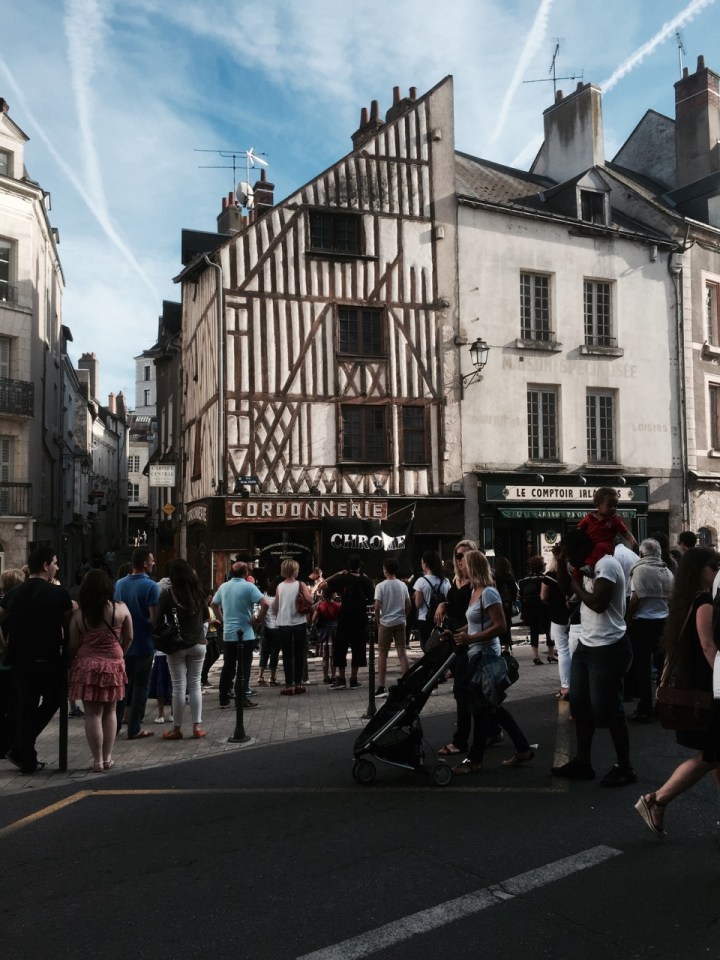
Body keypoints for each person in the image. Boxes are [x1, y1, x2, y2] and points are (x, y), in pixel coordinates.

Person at [634, 547, 720, 838]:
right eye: (714, 567)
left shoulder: (685, 600)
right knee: (710, 755)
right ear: (700, 570)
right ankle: (657, 799)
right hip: (705, 689)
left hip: (695, 686)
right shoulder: (704, 601)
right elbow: (708, 645)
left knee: (715, 752)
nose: (717, 572)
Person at [552, 528, 636, 787]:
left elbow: (598, 603)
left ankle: (625, 767)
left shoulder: (606, 565)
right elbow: (564, 589)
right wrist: (561, 565)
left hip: (609, 647)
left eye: (570, 555)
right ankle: (583, 762)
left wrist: (574, 579)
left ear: (581, 550)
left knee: (608, 709)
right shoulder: (583, 566)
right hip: (587, 646)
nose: (570, 561)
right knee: (581, 707)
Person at [441, 550, 533, 774]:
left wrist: (471, 639)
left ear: (473, 566)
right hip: (475, 654)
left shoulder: (489, 593)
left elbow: (500, 626)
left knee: (481, 707)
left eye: (464, 564)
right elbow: (474, 622)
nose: (460, 567)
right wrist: (457, 633)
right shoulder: (475, 591)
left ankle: (475, 760)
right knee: (490, 707)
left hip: (485, 656)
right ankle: (522, 748)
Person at [0, 548, 73, 774]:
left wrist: (4, 645)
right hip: (48, 657)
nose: (57, 568)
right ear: (45, 566)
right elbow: (68, 624)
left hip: (20, 659)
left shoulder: (15, 592)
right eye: (55, 563)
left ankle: (26, 756)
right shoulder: (58, 593)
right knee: (54, 699)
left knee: (26, 705)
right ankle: (21, 748)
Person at [68, 570, 133, 771]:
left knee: (92, 714)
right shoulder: (120, 609)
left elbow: (73, 644)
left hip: (87, 664)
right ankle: (107, 757)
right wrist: (120, 653)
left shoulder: (80, 614)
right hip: (113, 663)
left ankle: (96, 761)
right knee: (110, 711)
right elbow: (130, 637)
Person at [157, 560, 208, 740]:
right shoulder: (198, 593)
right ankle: (197, 727)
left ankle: (176, 728)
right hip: (198, 644)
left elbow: (158, 621)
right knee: (195, 684)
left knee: (178, 687)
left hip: (176, 645)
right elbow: (206, 616)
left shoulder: (167, 595)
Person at [114, 547, 160, 740]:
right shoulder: (151, 586)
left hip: (123, 643)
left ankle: (114, 726)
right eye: (151, 560)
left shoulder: (119, 584)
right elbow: (154, 618)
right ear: (145, 563)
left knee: (123, 686)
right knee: (141, 686)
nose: (153, 563)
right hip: (144, 642)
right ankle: (135, 728)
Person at [626, 539, 674, 723]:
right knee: (662, 666)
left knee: (643, 666)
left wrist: (627, 620)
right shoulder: (667, 572)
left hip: (643, 623)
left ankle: (644, 707)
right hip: (663, 622)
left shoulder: (639, 570)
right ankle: (661, 704)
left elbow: (635, 599)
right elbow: (672, 600)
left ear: (641, 554)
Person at [212, 560, 267, 707]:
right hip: (245, 633)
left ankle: (223, 697)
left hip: (229, 633)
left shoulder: (224, 586)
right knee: (244, 666)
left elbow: (214, 604)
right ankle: (241, 698)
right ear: (245, 573)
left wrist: (222, 619)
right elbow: (265, 603)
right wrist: (258, 620)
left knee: (228, 666)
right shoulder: (249, 586)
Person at [321, 556, 374, 689]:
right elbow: (371, 598)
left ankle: (341, 679)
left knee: (341, 647)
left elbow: (323, 585)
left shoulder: (343, 578)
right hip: (360, 617)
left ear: (348, 567)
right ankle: (354, 679)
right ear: (360, 566)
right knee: (358, 647)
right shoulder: (366, 580)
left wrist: (337, 574)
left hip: (345, 616)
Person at [273, 559, 312, 695]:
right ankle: (299, 683)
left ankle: (289, 685)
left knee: (287, 654)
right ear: (295, 570)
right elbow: (310, 600)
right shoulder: (301, 584)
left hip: (283, 623)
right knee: (299, 653)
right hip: (299, 622)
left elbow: (276, 605)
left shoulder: (279, 586)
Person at [576, 487, 638, 574]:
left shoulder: (615, 520)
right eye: (610, 505)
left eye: (615, 506)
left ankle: (589, 567)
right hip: (591, 545)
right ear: (598, 505)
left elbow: (625, 532)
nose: (613, 508)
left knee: (601, 546)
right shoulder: (589, 517)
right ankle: (577, 573)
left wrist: (632, 539)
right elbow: (579, 530)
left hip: (606, 547)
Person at [373, 558, 411, 697]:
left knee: (383, 654)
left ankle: (381, 687)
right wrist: (404, 616)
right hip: (400, 621)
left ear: (385, 570)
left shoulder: (380, 586)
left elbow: (377, 607)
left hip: (386, 622)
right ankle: (407, 684)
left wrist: (379, 621)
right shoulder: (402, 585)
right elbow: (409, 605)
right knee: (402, 653)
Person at [0, 568, 25, 760]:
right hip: (12, 663)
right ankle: (9, 745)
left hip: (3, 663)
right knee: (15, 706)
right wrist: (4, 647)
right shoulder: (16, 608)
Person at [541, 546, 572, 700]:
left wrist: (552, 604)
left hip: (557, 615)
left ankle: (566, 686)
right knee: (574, 649)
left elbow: (543, 597)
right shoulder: (573, 574)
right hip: (574, 615)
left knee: (563, 650)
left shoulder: (549, 576)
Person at [519, 556, 555, 665]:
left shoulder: (524, 581)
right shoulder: (546, 579)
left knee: (533, 631)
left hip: (530, 609)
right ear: (541, 566)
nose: (545, 565)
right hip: (545, 608)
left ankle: (536, 656)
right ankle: (551, 654)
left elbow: (520, 596)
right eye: (544, 564)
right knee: (549, 630)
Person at [412, 551, 450, 652]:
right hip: (441, 619)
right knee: (441, 647)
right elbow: (449, 600)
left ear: (425, 564)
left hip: (425, 618)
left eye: (422, 562)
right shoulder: (446, 581)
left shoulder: (421, 581)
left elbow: (418, 604)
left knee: (427, 647)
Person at [256, 578, 282, 687]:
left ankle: (260, 676)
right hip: (277, 628)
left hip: (266, 628)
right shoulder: (279, 598)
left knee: (264, 652)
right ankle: (272, 677)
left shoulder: (265, 596)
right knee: (274, 653)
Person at [312, 587, 341, 685]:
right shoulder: (338, 605)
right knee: (333, 656)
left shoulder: (321, 605)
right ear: (333, 594)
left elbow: (313, 619)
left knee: (325, 657)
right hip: (334, 633)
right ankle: (333, 676)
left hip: (323, 633)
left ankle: (325, 677)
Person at [493, 555, 518, 651]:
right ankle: (507, 647)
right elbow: (514, 589)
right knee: (507, 624)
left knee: (498, 623)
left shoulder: (495, 576)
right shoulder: (510, 575)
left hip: (498, 601)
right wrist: (513, 600)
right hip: (508, 602)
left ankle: (500, 645)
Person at [200, 590, 221, 689]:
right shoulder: (202, 607)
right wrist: (213, 621)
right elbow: (204, 620)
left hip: (213, 633)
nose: (210, 599)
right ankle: (203, 677)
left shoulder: (210, 608)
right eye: (209, 597)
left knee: (216, 654)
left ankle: (204, 674)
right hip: (206, 634)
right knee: (209, 656)